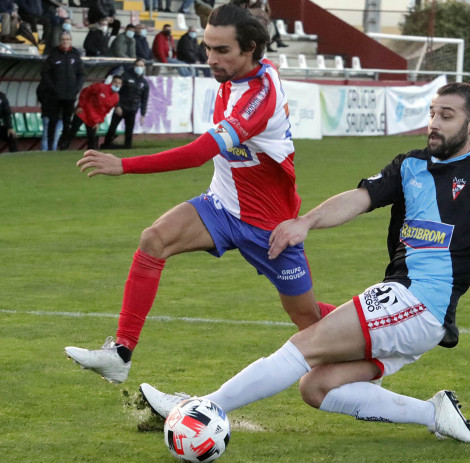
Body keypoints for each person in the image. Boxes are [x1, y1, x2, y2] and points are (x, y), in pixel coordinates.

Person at [140, 82, 470, 445]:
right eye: (432, 113)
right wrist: (306, 221)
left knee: (306, 345)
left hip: (421, 301)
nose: (434, 123)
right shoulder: (409, 164)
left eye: (447, 116)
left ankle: (198, 408)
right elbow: (358, 199)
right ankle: (435, 413)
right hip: (408, 306)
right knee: (317, 387)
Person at [65, 4, 336, 384]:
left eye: (221, 50)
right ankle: (120, 354)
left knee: (306, 318)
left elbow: (196, 154)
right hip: (221, 206)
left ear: (250, 49)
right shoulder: (239, 72)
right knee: (153, 239)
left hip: (269, 227)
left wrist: (123, 165)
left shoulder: (258, 98)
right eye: (208, 47)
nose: (210, 58)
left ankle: (376, 327)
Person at [40, 31, 84, 150]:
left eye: (67, 39)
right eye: (63, 39)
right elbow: (45, 73)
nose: (65, 42)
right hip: (55, 95)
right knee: (52, 120)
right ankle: (50, 146)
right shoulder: (53, 54)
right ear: (60, 41)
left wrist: (76, 88)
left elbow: (81, 74)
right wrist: (53, 88)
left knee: (66, 121)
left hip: (70, 95)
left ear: (70, 41)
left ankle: (64, 145)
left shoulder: (75, 54)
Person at [61, 75, 122, 150]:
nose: (117, 84)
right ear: (112, 82)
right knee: (72, 132)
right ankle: (62, 149)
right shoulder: (100, 87)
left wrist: (99, 122)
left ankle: (90, 156)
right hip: (84, 112)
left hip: (94, 119)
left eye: (119, 83)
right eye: (115, 82)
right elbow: (85, 92)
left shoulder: (116, 97)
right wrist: (80, 106)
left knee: (92, 138)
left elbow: (105, 112)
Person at [102, 59, 148, 150]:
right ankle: (106, 145)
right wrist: (117, 105)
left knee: (129, 129)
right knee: (113, 127)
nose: (139, 68)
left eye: (141, 66)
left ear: (144, 67)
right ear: (134, 66)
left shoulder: (144, 83)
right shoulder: (125, 76)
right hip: (121, 107)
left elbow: (144, 99)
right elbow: (117, 92)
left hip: (133, 109)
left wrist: (143, 113)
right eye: (138, 65)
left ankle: (128, 147)